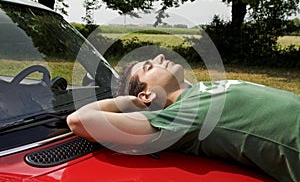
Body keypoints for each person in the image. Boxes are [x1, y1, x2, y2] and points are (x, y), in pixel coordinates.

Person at [67, 54, 300, 181]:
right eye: (149, 67)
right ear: (146, 93)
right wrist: (131, 102)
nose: (159, 56)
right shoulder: (180, 116)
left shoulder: (197, 92)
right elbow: (80, 120)